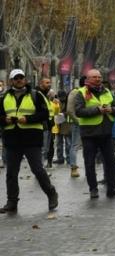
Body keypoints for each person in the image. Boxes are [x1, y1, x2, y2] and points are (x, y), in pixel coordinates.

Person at [0, 69, 58, 213]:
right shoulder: (4, 97)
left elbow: (45, 114)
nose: (19, 80)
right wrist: (5, 120)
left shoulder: (36, 95)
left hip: (32, 139)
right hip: (12, 139)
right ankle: (12, 202)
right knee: (11, 173)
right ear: (11, 81)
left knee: (37, 169)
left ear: (25, 79)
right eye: (16, 78)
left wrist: (28, 119)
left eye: (21, 77)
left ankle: (51, 193)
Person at [73, 69, 115, 198]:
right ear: (88, 79)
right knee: (90, 163)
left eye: (99, 77)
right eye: (94, 77)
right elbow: (79, 111)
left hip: (106, 133)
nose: (98, 79)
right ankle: (93, 189)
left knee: (110, 161)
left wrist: (111, 109)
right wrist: (98, 110)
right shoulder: (81, 92)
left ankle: (112, 189)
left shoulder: (107, 91)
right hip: (89, 134)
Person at [64, 77, 86, 177]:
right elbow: (69, 110)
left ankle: (89, 167)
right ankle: (73, 168)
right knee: (75, 145)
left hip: (90, 124)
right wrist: (78, 121)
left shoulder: (91, 93)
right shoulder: (75, 92)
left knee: (88, 146)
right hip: (78, 124)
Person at [36, 78, 55, 168]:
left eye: (49, 82)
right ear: (41, 83)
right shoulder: (39, 94)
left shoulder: (45, 95)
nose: (49, 84)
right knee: (43, 148)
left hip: (48, 125)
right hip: (43, 125)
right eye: (47, 83)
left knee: (46, 148)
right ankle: (40, 168)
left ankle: (42, 166)